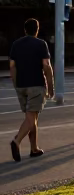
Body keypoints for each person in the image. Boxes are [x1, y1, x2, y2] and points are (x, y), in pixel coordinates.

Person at [9, 18, 54, 161]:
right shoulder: (41, 44)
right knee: (31, 118)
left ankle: (34, 148)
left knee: (31, 117)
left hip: (21, 85)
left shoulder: (16, 44)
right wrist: (50, 87)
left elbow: (12, 66)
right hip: (36, 85)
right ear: (37, 29)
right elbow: (46, 66)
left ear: (25, 30)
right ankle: (16, 141)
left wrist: (16, 84)